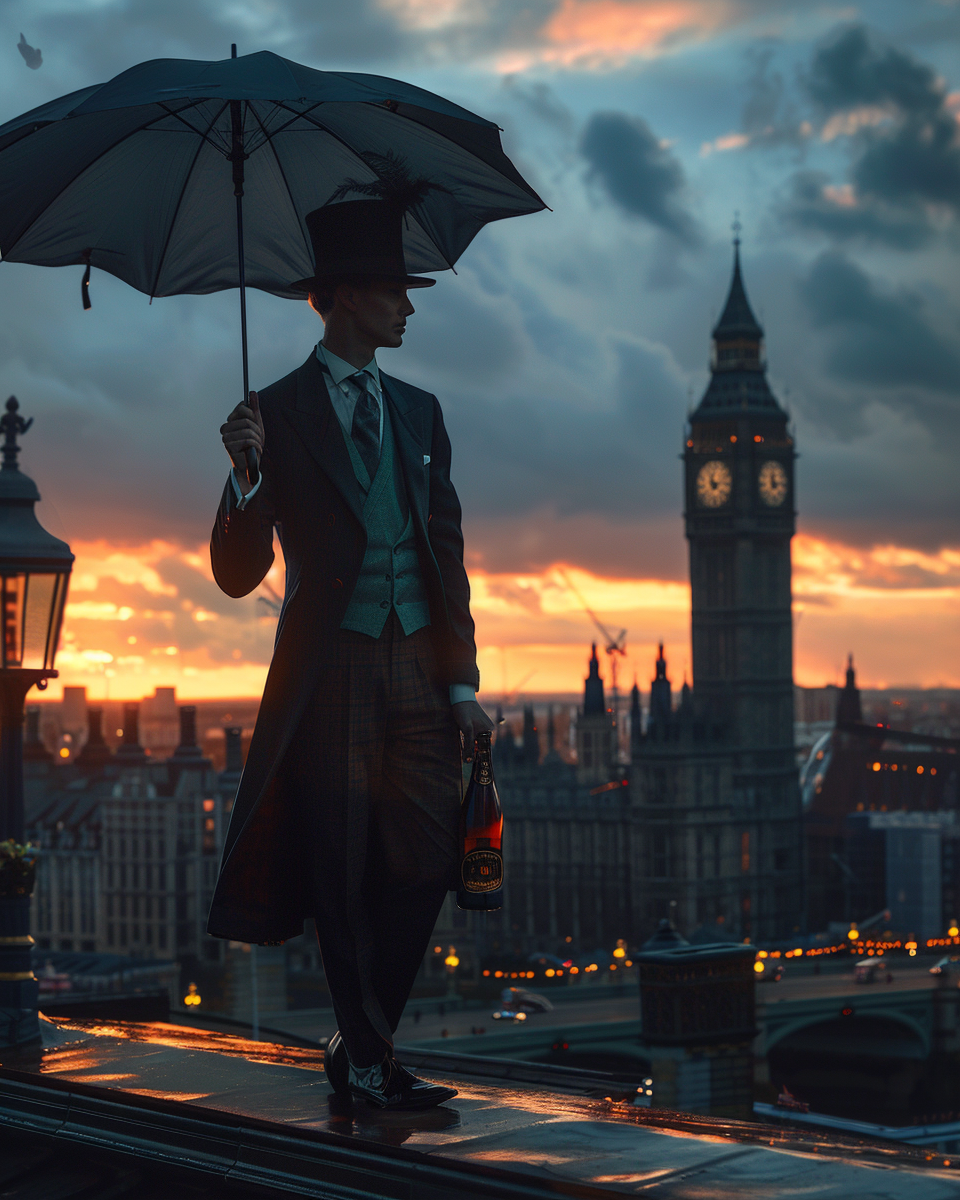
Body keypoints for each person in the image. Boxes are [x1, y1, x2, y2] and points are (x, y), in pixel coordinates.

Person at [207, 198, 493, 1110]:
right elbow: (236, 571)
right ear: (338, 300)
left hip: (417, 662)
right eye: (392, 293)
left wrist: (461, 682)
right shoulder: (274, 414)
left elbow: (444, 555)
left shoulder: (420, 411)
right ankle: (370, 1062)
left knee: (425, 859)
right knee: (336, 865)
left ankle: (357, 1039)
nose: (409, 308)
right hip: (330, 666)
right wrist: (245, 476)